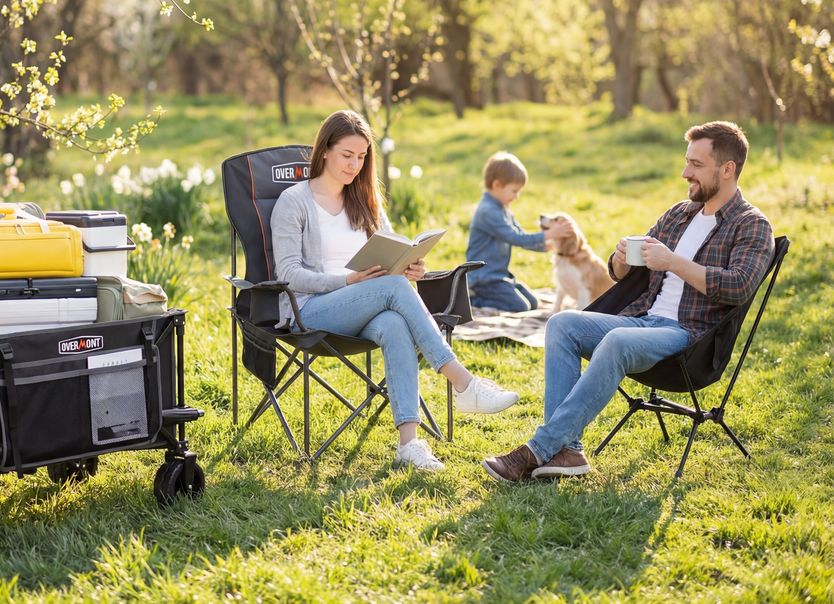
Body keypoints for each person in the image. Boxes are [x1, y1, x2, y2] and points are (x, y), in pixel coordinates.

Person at [481, 121, 774, 483]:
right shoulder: (679, 213)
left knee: (617, 341)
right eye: (687, 162)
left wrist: (673, 262)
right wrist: (620, 259)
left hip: (688, 337)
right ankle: (568, 451)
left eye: (696, 165)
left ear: (727, 169)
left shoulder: (751, 224)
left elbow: (740, 287)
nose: (686, 173)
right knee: (561, 324)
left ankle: (537, 450)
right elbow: (622, 272)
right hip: (643, 321)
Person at [272, 110, 521, 472]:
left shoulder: (365, 199)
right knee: (390, 287)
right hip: (310, 310)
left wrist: (410, 267)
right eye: (347, 155)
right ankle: (464, 384)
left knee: (394, 322)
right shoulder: (294, 202)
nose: (355, 165)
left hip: (368, 305)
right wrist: (348, 281)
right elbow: (289, 273)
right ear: (324, 150)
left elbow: (392, 252)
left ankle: (409, 444)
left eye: (361, 157)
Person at [465, 152, 573, 312]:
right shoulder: (488, 211)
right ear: (497, 185)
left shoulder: (503, 208)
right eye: (514, 191)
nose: (517, 196)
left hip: (500, 276)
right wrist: (550, 233)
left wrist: (544, 245)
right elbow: (516, 238)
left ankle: (490, 295)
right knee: (520, 306)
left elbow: (520, 233)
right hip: (484, 279)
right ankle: (473, 300)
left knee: (533, 303)